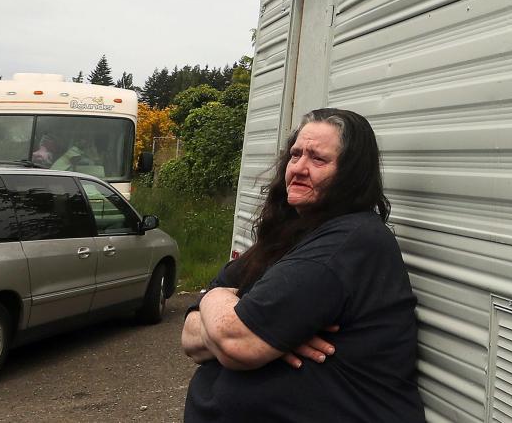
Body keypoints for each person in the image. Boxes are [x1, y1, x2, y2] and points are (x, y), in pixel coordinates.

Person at [181, 108, 426, 423]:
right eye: (295, 155)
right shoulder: (288, 236)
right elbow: (189, 335)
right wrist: (267, 331)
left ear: (351, 174)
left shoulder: (349, 243)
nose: (298, 168)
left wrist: (215, 300)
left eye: (318, 159)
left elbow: (235, 342)